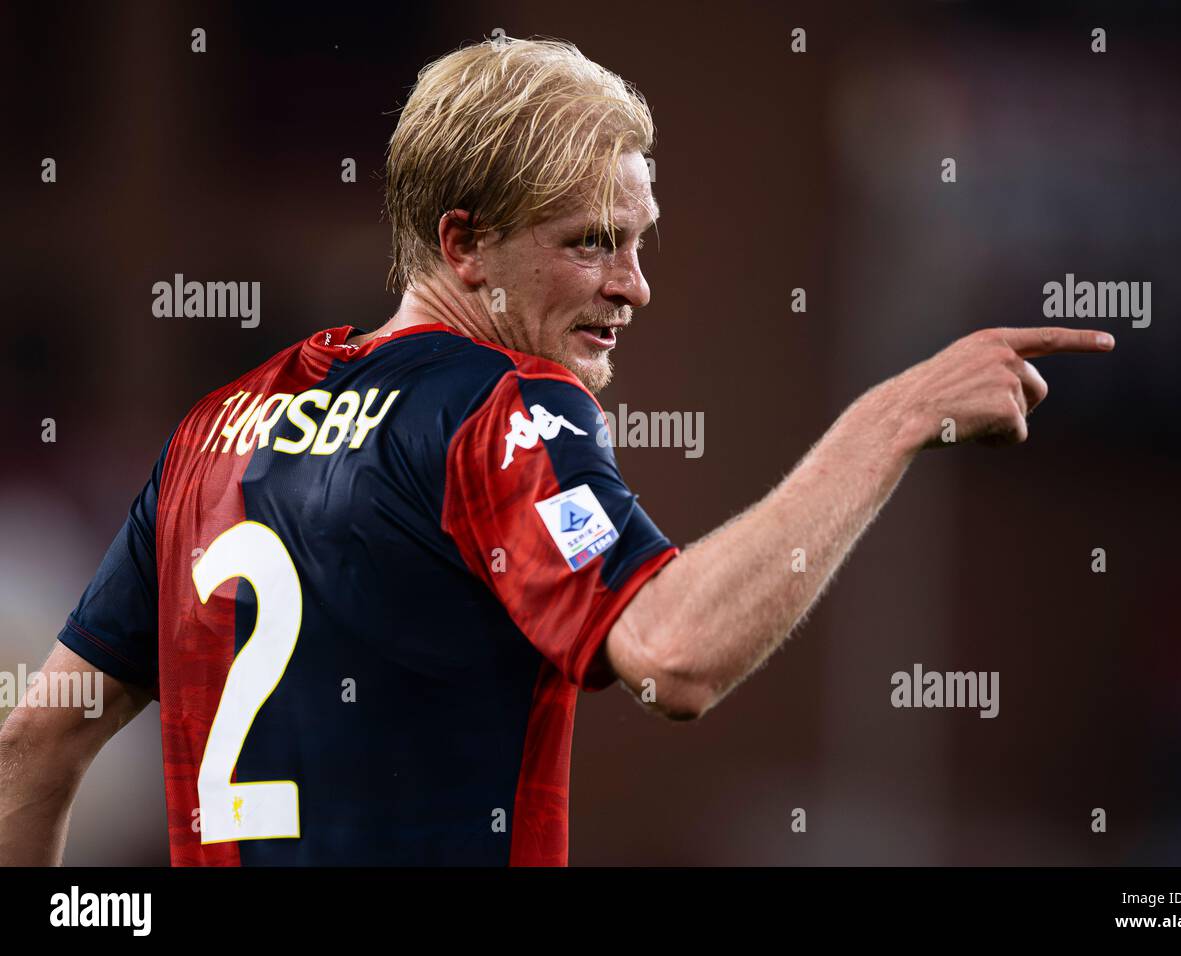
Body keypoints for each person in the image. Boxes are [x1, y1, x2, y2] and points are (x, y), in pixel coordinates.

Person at [0, 36, 1113, 867]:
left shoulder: (209, 430)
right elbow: (675, 655)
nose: (632, 284)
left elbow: (35, 742)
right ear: (464, 244)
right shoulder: (500, 405)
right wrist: (894, 415)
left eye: (637, 243)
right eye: (591, 243)